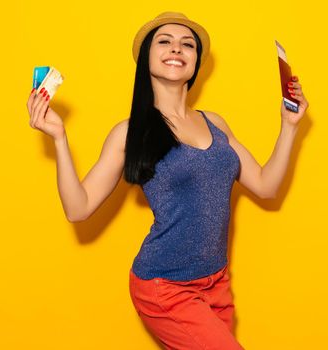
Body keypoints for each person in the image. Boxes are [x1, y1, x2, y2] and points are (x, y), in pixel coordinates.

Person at [26, 11, 308, 350]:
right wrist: (59, 138)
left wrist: (289, 126)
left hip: (217, 281)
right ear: (146, 57)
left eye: (187, 45)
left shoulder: (215, 123)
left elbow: (266, 185)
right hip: (165, 286)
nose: (177, 49)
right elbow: (78, 208)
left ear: (195, 63)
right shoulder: (130, 132)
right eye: (165, 41)